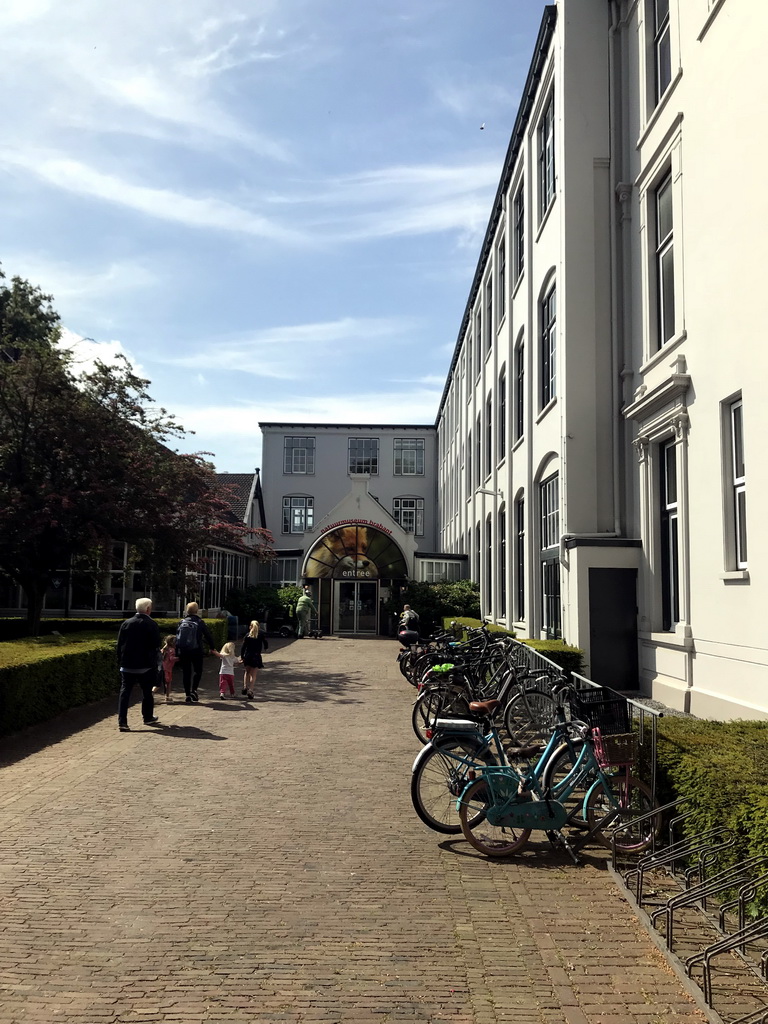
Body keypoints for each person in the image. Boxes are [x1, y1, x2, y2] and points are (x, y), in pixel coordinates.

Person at [116, 597, 162, 732]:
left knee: (125, 693)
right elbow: (156, 645)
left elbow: (119, 644)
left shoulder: (126, 623)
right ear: (148, 609)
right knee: (147, 692)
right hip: (145, 665)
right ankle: (147, 717)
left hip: (127, 664)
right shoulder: (151, 624)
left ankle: (122, 722)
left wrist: (120, 660)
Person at [175, 601, 217, 704]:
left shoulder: (181, 622)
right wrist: (212, 648)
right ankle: (194, 690)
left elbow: (177, 638)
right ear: (197, 611)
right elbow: (208, 636)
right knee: (198, 671)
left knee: (186, 672)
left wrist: (177, 652)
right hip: (196, 650)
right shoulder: (200, 622)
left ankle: (187, 694)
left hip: (184, 651)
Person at [239, 620, 268, 699]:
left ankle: (245, 686)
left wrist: (242, 657)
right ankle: (251, 690)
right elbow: (265, 643)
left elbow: (243, 647)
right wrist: (265, 648)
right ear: (258, 627)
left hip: (248, 655)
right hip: (256, 656)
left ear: (250, 627)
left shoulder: (247, 635)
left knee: (247, 672)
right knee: (253, 675)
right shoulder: (261, 635)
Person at [160, 635, 178, 703]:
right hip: (168, 669)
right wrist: (179, 658)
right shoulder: (172, 650)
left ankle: (167, 697)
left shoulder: (164, 648)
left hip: (162, 667)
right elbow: (171, 658)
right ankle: (167, 697)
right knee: (168, 683)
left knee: (162, 683)